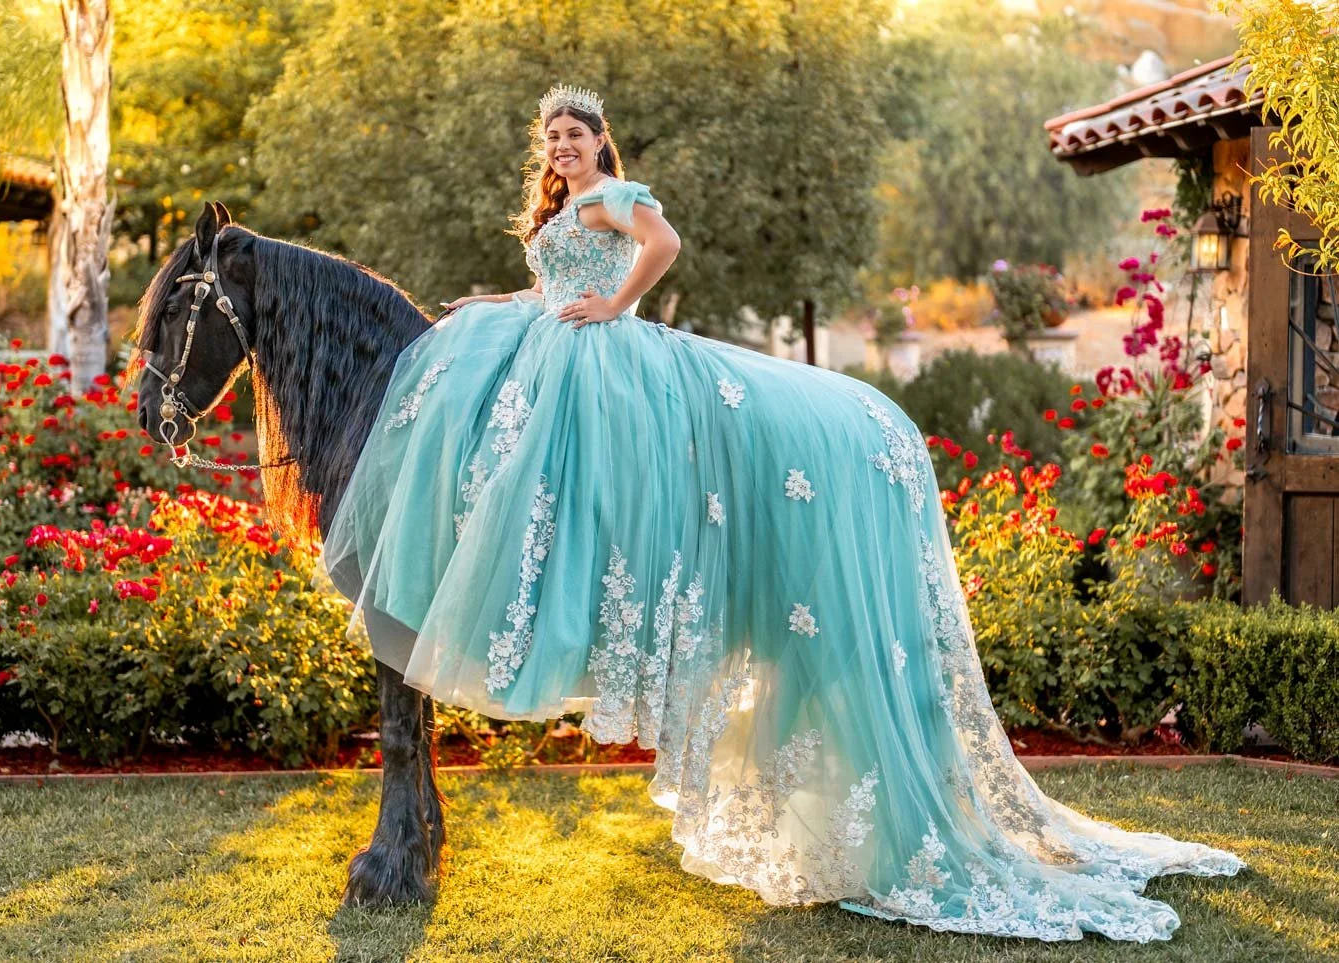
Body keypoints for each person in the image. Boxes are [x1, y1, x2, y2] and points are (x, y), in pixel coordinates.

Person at [318, 83, 1243, 941]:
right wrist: (499, 301)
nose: (563, 147)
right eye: (552, 138)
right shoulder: (562, 209)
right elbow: (546, 288)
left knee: (579, 469)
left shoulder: (613, 194)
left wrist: (614, 306)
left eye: (576, 135)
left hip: (605, 355)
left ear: (600, 141)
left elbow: (663, 246)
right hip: (559, 335)